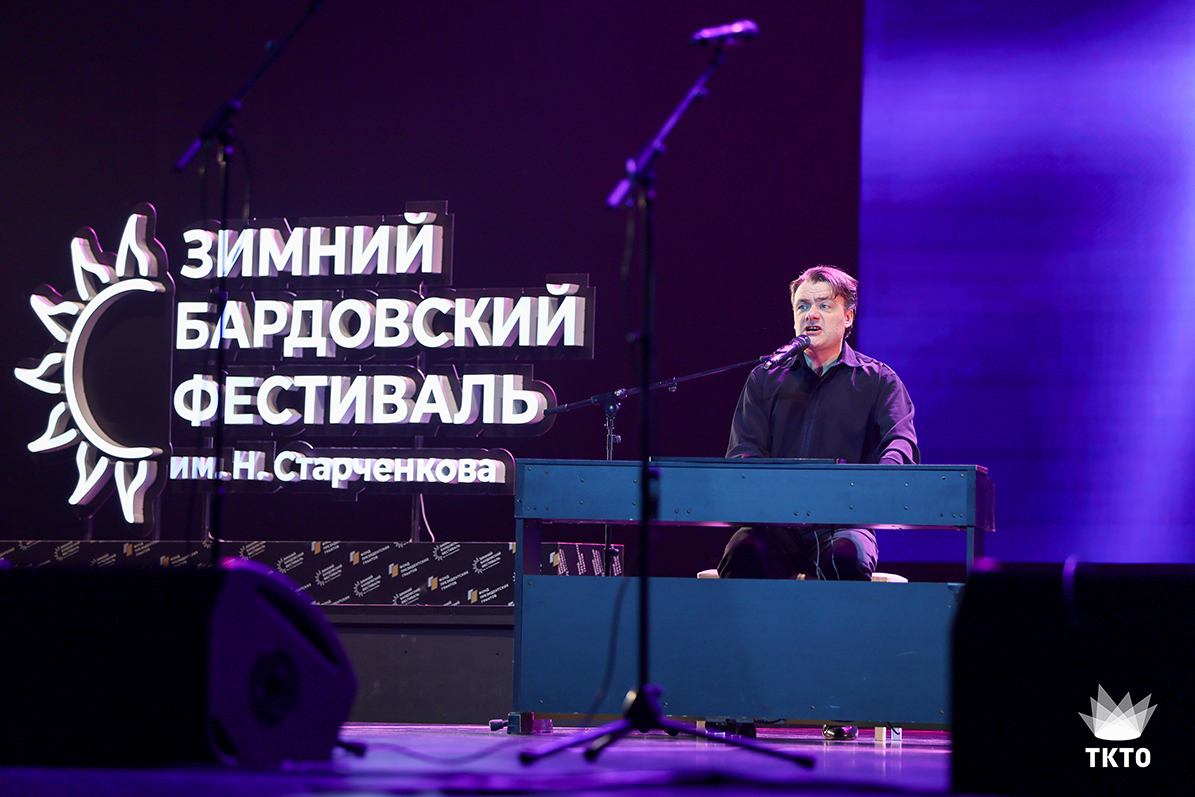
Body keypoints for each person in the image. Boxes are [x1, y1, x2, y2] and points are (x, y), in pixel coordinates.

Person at [718, 265, 919, 581]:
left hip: (844, 522)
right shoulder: (765, 379)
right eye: (802, 306)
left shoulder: (879, 381)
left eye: (824, 305)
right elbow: (743, 452)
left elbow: (900, 444)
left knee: (845, 557)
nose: (811, 314)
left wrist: (874, 486)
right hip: (775, 524)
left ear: (848, 317)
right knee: (743, 551)